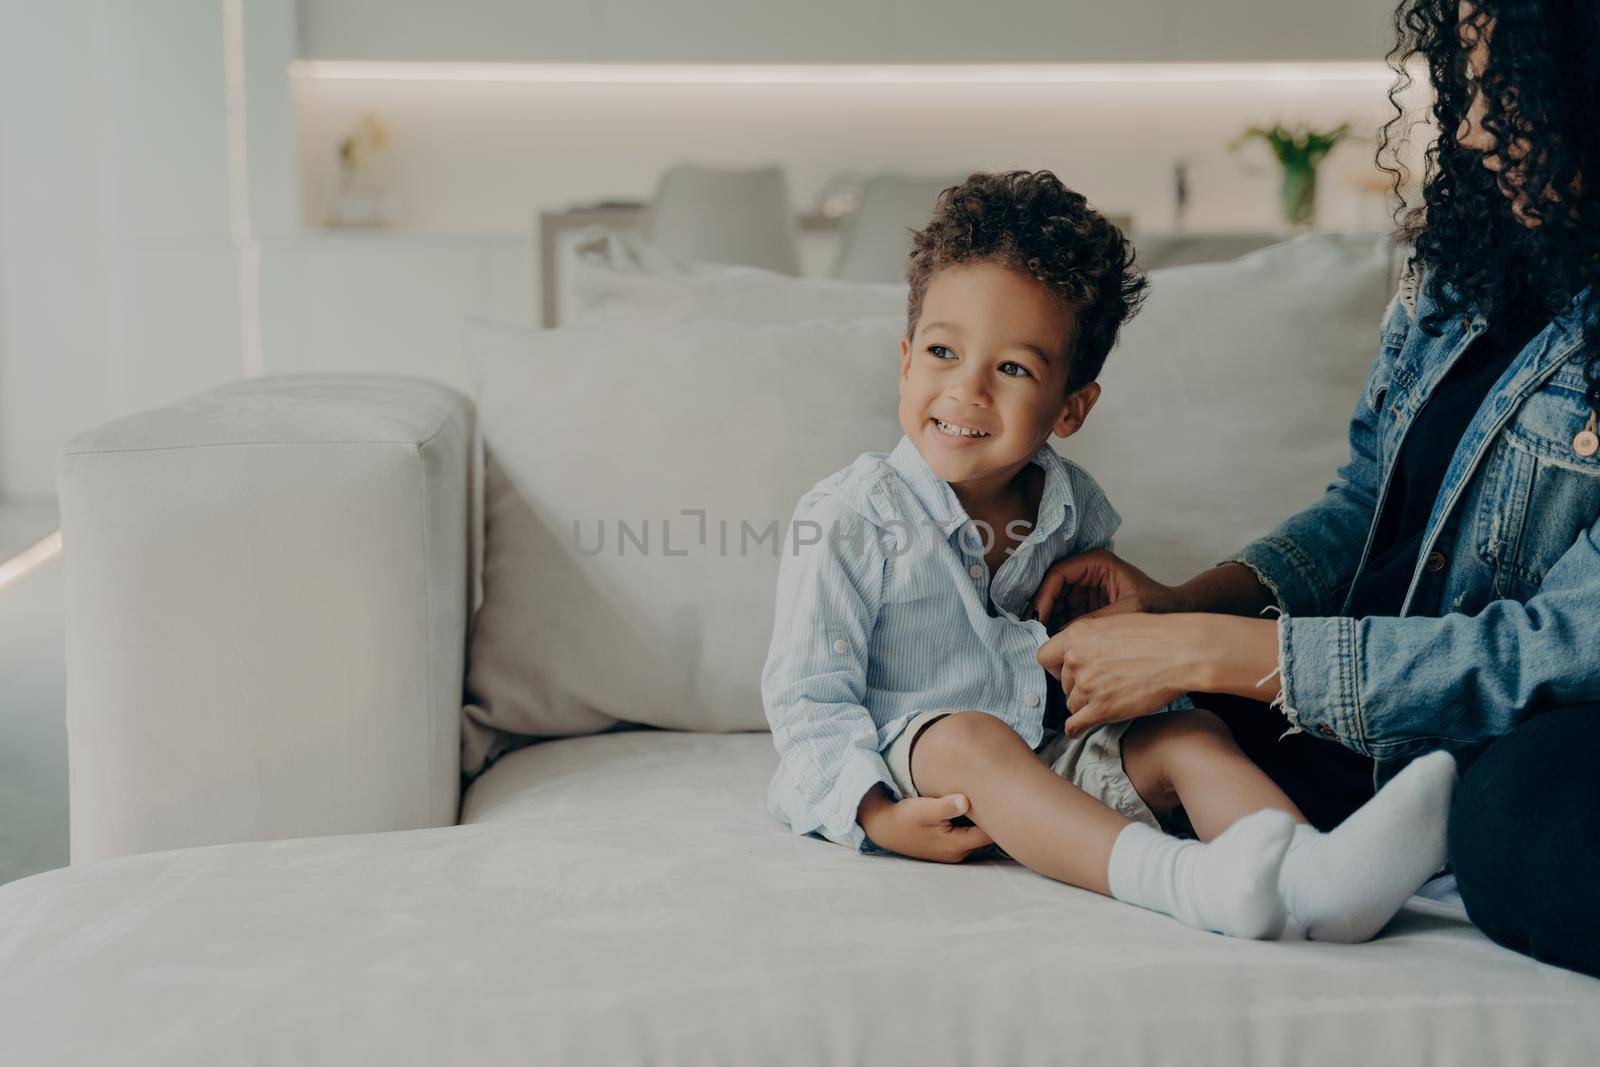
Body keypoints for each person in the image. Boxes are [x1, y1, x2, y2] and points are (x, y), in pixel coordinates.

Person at [1031, 0, 1600, 977]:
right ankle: (1361, 839)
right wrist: (1185, 607)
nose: (1469, 125)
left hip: (1525, 712)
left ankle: (1423, 812)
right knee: (1109, 715)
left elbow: (1551, 649)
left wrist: (1219, 650)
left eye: (1508, 83)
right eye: (1465, 80)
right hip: (1361, 693)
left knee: (1524, 817)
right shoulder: (1467, 263)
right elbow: (1360, 505)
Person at [761, 170, 1458, 943]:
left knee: (1192, 735)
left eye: (1013, 368)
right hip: (922, 772)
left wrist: (1129, 691)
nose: (967, 389)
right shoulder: (850, 516)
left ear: (1071, 408)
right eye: (941, 351)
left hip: (1050, 754)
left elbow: (1095, 667)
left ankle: (1315, 880)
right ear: (904, 361)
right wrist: (878, 816)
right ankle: (1186, 881)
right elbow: (806, 702)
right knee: (969, 735)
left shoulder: (1073, 505)